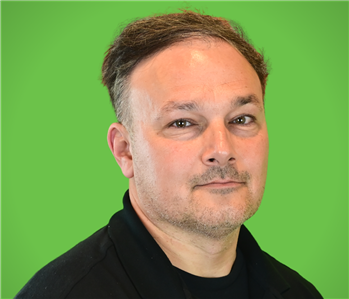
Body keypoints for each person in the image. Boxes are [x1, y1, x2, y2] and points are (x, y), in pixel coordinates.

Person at [15, 10, 323, 299]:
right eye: (183, 123)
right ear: (125, 151)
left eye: (241, 119)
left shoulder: (300, 293)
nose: (222, 150)